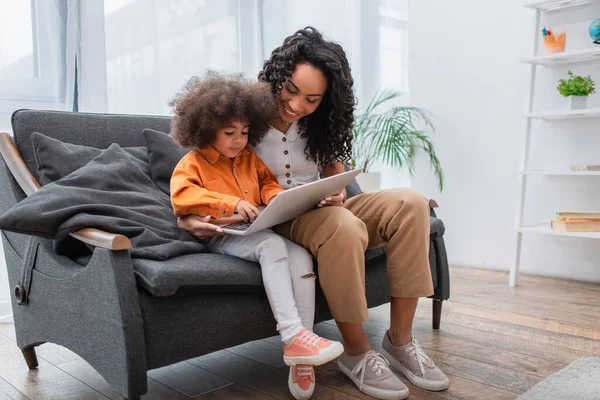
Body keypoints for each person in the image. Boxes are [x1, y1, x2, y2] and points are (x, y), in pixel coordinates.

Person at [177, 28, 449, 400]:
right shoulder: (244, 122)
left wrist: (337, 190)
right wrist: (190, 219)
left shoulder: (320, 125)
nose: (295, 104)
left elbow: (335, 173)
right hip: (281, 219)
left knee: (411, 203)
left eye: (311, 98)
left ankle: (399, 342)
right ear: (277, 75)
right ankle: (356, 353)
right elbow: (198, 176)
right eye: (290, 89)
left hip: (323, 209)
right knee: (343, 225)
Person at [169, 71, 344, 400]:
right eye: (229, 133)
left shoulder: (249, 156)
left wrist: (277, 198)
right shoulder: (191, 164)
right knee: (272, 244)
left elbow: (267, 184)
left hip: (253, 227)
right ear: (206, 128)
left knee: (301, 256)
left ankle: (301, 350)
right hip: (222, 233)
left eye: (245, 132)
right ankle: (293, 334)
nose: (238, 140)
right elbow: (182, 198)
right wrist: (230, 202)